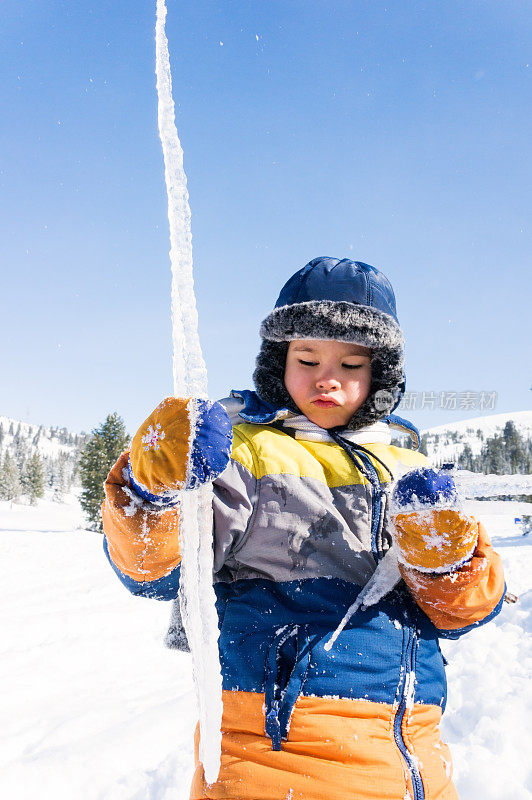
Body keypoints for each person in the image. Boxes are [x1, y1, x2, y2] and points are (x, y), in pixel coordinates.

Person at [102, 257, 505, 800]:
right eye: (307, 357)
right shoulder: (244, 454)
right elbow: (154, 571)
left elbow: (464, 613)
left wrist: (449, 563)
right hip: (275, 760)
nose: (328, 377)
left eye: (353, 364)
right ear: (278, 361)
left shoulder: (408, 469)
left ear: (380, 376)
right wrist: (151, 493)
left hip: (417, 761)